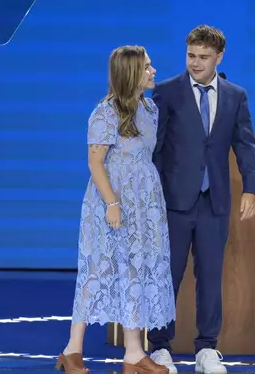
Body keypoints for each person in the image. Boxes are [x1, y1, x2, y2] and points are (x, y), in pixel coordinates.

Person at [147, 25, 255, 374]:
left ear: (219, 57)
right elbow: (153, 148)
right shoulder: (165, 93)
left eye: (203, 57)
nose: (195, 63)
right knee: (168, 276)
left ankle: (207, 349)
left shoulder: (235, 95)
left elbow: (245, 145)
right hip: (174, 202)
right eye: (191, 56)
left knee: (211, 277)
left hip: (215, 202)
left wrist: (251, 188)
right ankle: (159, 346)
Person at [56, 45, 174, 374]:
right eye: (147, 67)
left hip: (144, 204)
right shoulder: (105, 113)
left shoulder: (150, 109)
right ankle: (71, 350)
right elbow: (95, 162)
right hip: (110, 204)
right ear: (131, 73)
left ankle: (134, 353)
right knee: (97, 272)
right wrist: (112, 203)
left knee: (135, 271)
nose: (153, 71)